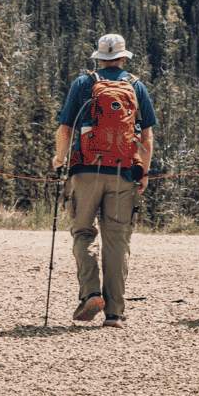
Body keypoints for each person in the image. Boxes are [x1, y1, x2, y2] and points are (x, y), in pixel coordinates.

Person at [52, 33, 157, 328]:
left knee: (83, 233)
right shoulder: (136, 86)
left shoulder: (83, 83)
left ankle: (91, 294)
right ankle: (114, 313)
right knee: (117, 241)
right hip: (123, 172)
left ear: (98, 57)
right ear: (124, 57)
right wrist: (143, 172)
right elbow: (146, 137)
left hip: (85, 171)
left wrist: (60, 160)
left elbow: (64, 129)